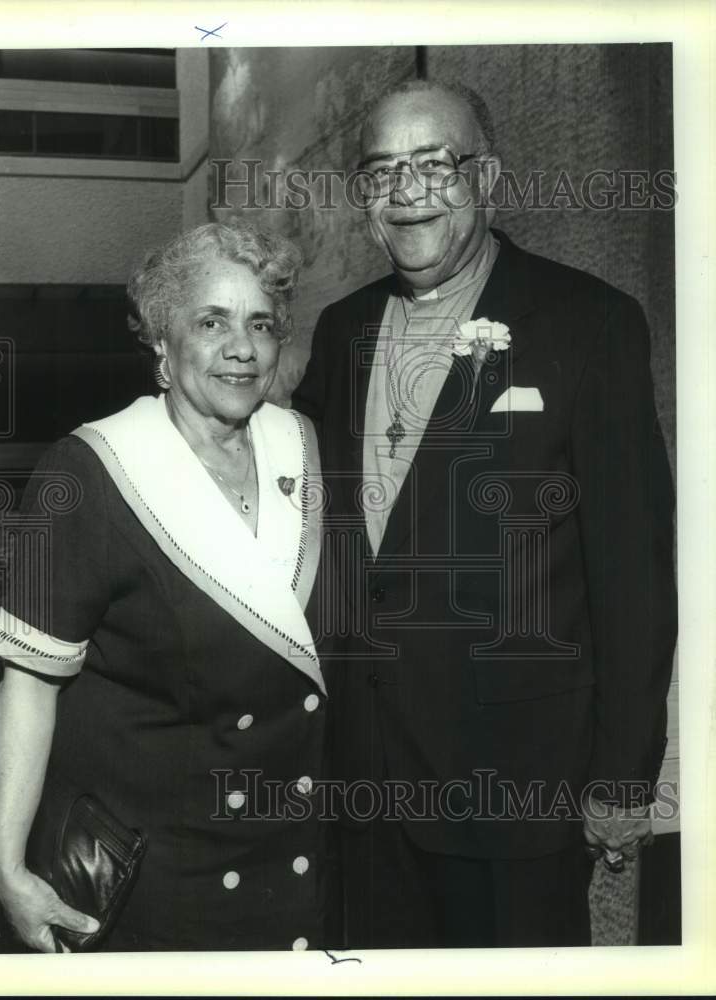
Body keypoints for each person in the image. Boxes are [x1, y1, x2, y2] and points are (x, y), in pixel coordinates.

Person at [293, 80, 677, 948]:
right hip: (365, 776)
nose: (407, 190)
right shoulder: (338, 330)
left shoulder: (589, 324)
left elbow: (632, 572)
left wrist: (621, 780)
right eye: (383, 170)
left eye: (434, 164)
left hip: (517, 776)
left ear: (488, 177)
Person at [0, 221, 326, 952]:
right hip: (159, 874)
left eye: (260, 324)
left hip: (284, 853)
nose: (242, 346)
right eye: (211, 322)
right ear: (163, 348)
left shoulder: (300, 447)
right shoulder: (86, 472)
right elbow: (28, 684)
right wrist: (6, 864)